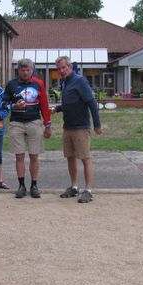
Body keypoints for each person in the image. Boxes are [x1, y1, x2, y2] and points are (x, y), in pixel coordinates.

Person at [52, 55, 103, 203]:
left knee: (85, 158)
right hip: (67, 127)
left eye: (64, 67)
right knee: (70, 158)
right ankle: (74, 187)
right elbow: (71, 102)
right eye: (59, 68)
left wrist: (97, 125)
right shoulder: (64, 83)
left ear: (70, 67)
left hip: (81, 127)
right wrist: (58, 109)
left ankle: (88, 190)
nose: (61, 71)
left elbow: (91, 103)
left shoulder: (80, 81)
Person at [1, 58, 51, 198]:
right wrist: (13, 106)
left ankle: (34, 185)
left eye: (28, 70)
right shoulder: (11, 84)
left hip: (34, 122)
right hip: (17, 123)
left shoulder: (38, 83)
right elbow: (3, 104)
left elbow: (44, 106)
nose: (25, 72)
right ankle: (21, 185)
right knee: (19, 156)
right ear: (18, 70)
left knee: (34, 155)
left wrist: (47, 124)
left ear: (32, 70)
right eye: (22, 70)